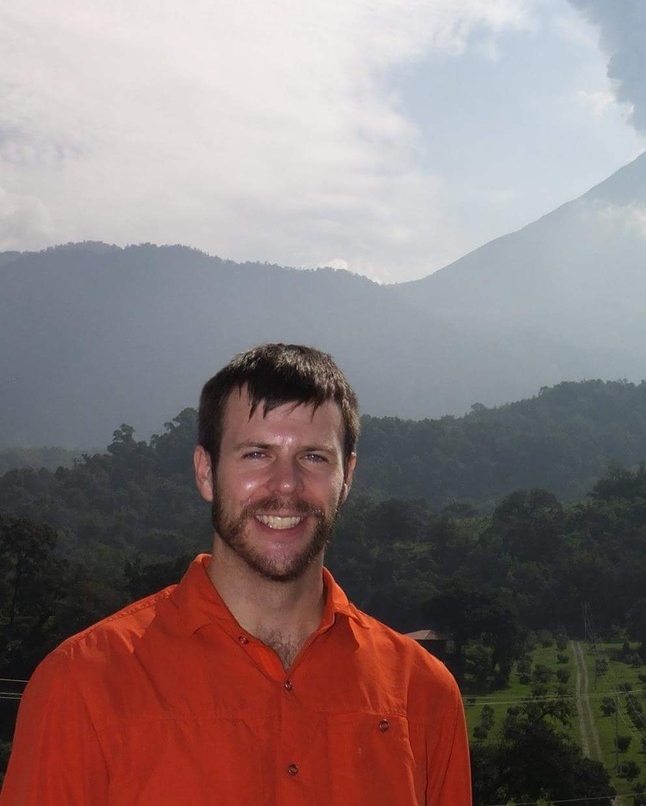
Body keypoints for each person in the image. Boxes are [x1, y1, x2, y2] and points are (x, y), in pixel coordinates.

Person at [1, 343, 472, 805]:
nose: (286, 485)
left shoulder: (422, 694)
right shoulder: (82, 685)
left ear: (346, 477)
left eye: (313, 457)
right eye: (256, 454)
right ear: (206, 472)